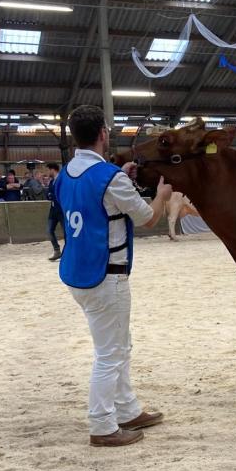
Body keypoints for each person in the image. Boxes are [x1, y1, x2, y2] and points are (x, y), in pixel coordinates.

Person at [56, 105, 173, 447]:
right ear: (104, 134)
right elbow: (146, 218)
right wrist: (162, 197)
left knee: (118, 346)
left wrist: (120, 173)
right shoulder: (111, 178)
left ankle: (126, 408)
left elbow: (97, 199)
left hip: (78, 271)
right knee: (110, 354)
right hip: (108, 275)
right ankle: (102, 425)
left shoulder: (67, 173)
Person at [46, 163, 63, 261]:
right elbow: (48, 193)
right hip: (53, 210)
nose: (47, 172)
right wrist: (49, 195)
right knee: (49, 230)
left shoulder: (62, 180)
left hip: (61, 209)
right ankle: (57, 250)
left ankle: (68, 252)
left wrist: (53, 196)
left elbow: (62, 194)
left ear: (53, 170)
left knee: (66, 233)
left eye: (48, 170)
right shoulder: (52, 181)